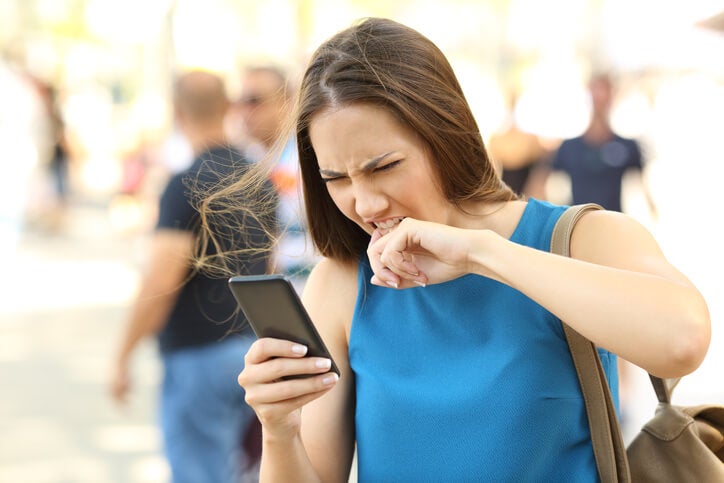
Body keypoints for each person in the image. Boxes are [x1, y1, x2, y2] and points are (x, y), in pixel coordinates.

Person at [202, 18, 711, 481]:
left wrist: (482, 254)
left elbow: (683, 341)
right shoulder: (340, 285)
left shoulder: (579, 239)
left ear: (444, 134)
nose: (364, 201)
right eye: (336, 178)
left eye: (383, 166)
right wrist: (278, 426)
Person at [110, 70, 276, 483]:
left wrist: (123, 354)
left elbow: (161, 279)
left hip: (197, 353)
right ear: (226, 108)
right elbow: (268, 265)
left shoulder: (184, 184)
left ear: (177, 113)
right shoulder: (260, 180)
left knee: (200, 473)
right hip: (253, 346)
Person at [236, 66, 318, 289]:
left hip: (313, 295)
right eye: (240, 102)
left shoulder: (313, 158)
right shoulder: (241, 162)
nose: (244, 111)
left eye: (254, 101)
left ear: (287, 103)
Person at [539, 73, 657, 215]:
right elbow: (540, 182)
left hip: (613, 223)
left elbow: (643, 187)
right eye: (594, 91)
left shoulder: (626, 146)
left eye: (603, 91)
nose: (599, 97)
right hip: (577, 224)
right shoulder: (569, 147)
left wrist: (652, 212)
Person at [487, 90, 548, 197]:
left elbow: (539, 173)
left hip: (526, 196)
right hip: (508, 197)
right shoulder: (498, 140)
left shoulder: (531, 140)